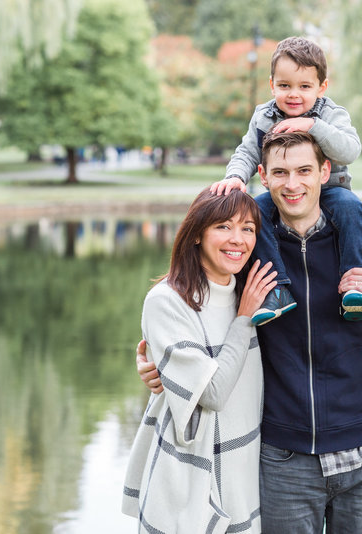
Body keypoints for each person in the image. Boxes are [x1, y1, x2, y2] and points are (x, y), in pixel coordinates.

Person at [139, 131, 362, 533]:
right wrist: (158, 365)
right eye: (280, 172)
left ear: (325, 171)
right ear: (263, 175)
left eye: (304, 170)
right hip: (283, 459)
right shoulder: (251, 247)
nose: (293, 184)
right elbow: (208, 311)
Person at [121, 188, 277, 533]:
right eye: (223, 226)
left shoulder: (251, 292)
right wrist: (244, 319)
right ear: (196, 234)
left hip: (246, 472)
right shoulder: (168, 301)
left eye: (248, 228)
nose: (238, 239)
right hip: (191, 481)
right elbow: (214, 393)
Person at [211, 36, 362, 326]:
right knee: (253, 212)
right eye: (285, 86)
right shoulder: (263, 117)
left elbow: (351, 149)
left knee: (351, 207)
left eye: (305, 87)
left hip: (331, 189)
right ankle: (279, 288)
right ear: (272, 85)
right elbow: (247, 151)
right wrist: (235, 177)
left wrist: (313, 126)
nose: (294, 94)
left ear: (321, 87)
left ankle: (354, 284)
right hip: (282, 195)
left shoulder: (330, 115)